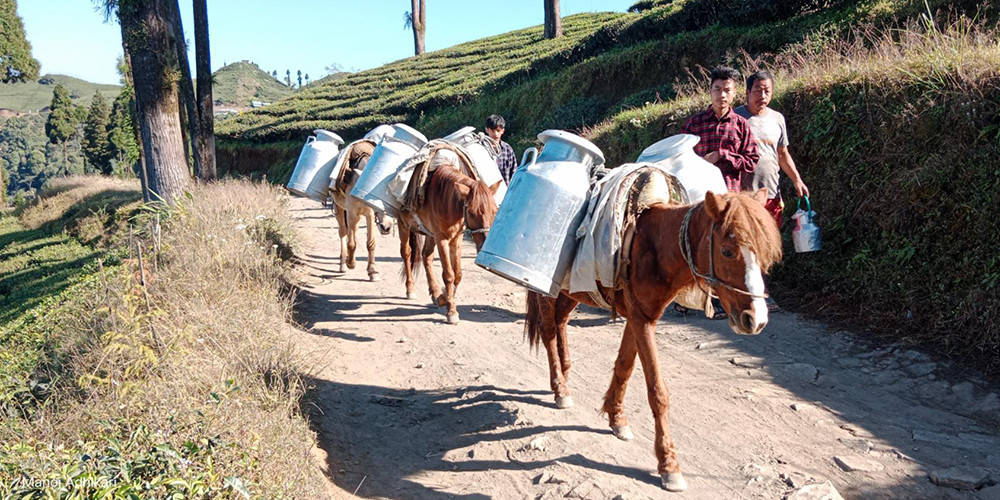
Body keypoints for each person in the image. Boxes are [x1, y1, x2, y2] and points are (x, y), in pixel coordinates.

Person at [734, 70, 810, 228]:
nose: (762, 95)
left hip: (771, 192)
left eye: (766, 91)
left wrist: (797, 180)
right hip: (743, 195)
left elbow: (782, 154)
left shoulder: (777, 119)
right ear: (748, 92)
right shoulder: (735, 118)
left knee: (771, 241)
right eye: (757, 91)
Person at [680, 66, 759, 193]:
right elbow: (681, 157)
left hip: (729, 195)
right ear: (710, 91)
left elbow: (751, 161)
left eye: (727, 90)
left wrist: (722, 155)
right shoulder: (695, 123)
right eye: (717, 89)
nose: (722, 95)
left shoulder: (741, 125)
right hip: (700, 194)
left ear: (734, 93)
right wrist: (700, 163)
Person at [481, 114, 518, 184]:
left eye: (498, 130)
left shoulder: (507, 149)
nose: (496, 134)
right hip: (486, 191)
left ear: (503, 131)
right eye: (492, 130)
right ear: (487, 130)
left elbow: (514, 173)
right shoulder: (480, 149)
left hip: (504, 192)